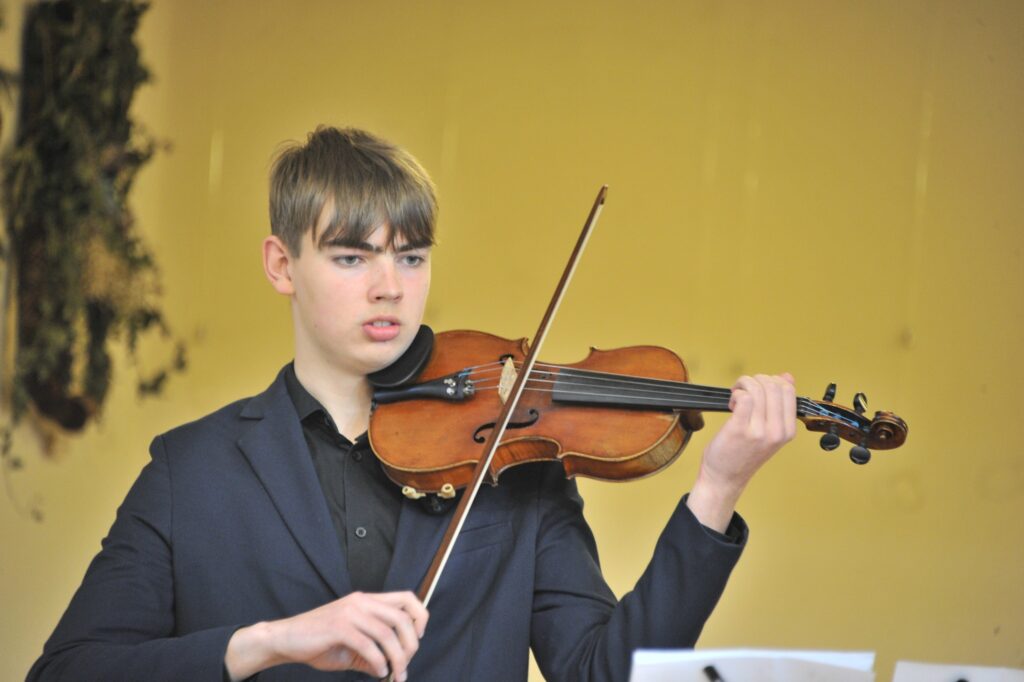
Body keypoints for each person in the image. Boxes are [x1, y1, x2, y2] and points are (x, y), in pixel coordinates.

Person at [28, 126, 797, 682]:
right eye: (351, 257)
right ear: (281, 264)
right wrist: (265, 643)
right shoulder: (191, 469)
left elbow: (604, 672)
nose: (390, 287)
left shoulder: (512, 462)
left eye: (412, 256)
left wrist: (717, 490)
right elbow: (68, 670)